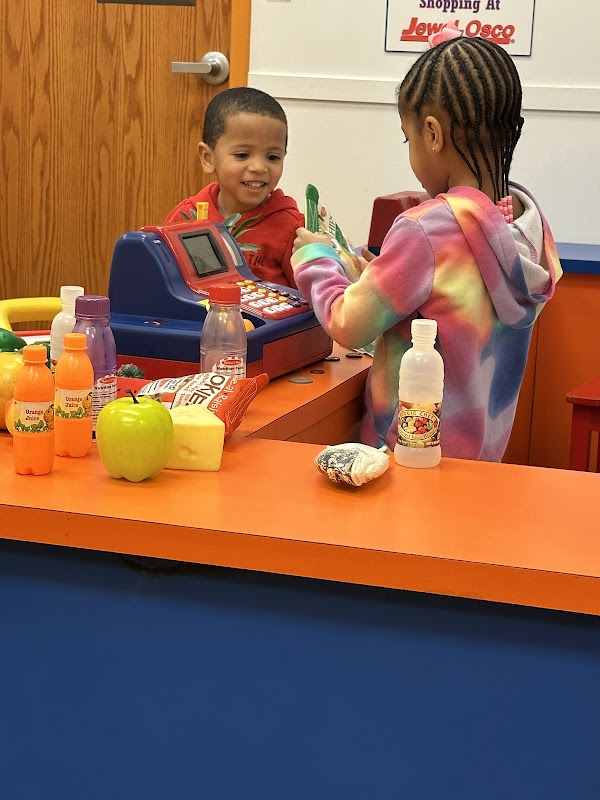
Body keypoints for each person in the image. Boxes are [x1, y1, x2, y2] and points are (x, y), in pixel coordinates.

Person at [291, 26, 562, 462]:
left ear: (432, 135)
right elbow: (457, 304)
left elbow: (348, 325)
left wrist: (314, 258)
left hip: (407, 456)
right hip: (481, 457)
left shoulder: (426, 230)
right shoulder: (529, 227)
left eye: (408, 137)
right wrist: (376, 279)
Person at [165, 87, 303, 287]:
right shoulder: (185, 217)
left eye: (272, 157)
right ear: (208, 158)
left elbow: (313, 304)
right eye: (242, 155)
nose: (259, 167)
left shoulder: (293, 229)